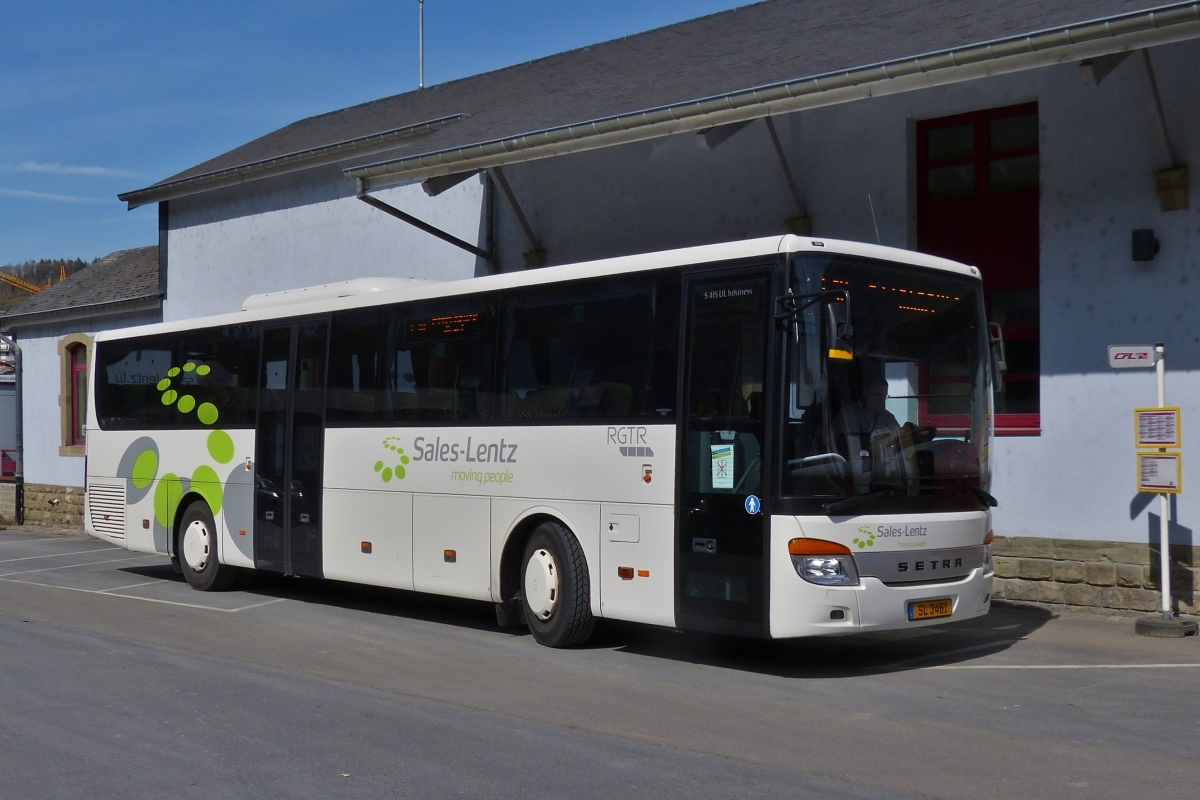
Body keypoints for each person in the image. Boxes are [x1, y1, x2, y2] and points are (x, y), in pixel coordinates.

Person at [833, 375, 906, 491]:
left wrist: (908, 433)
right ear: (865, 393)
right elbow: (861, 450)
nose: (881, 400)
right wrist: (892, 436)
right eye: (877, 395)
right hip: (855, 476)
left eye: (884, 396)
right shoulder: (847, 417)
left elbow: (900, 440)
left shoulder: (887, 417)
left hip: (884, 474)